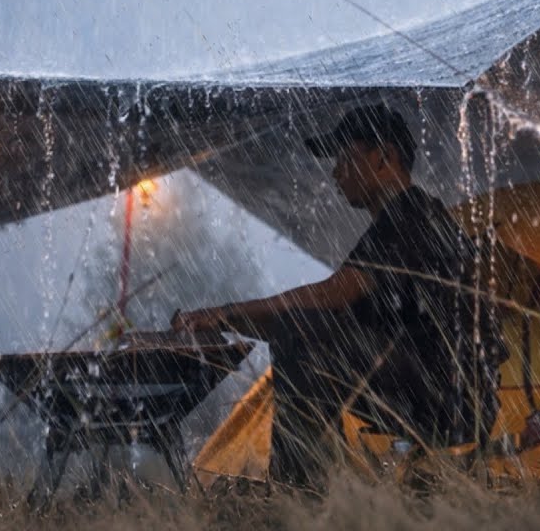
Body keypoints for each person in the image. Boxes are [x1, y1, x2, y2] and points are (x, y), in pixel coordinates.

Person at [172, 103, 505, 485]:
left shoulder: (410, 216)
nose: (335, 172)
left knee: (308, 334)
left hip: (452, 398)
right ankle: (306, 479)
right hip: (448, 393)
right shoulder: (404, 223)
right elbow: (322, 315)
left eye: (346, 158)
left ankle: (298, 486)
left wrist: (227, 312)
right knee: (308, 330)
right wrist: (226, 322)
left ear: (384, 157)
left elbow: (332, 295)